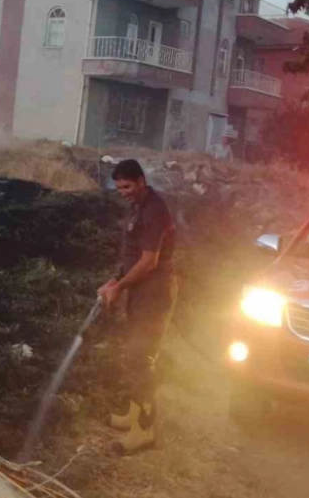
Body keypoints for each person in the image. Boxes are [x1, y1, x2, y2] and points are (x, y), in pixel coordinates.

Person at [96, 159, 178, 455]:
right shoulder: (138, 205)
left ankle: (145, 431)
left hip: (154, 294)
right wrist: (114, 280)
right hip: (139, 291)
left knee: (142, 358)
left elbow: (149, 261)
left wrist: (118, 288)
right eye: (119, 188)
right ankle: (133, 413)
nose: (124, 192)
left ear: (142, 180)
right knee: (135, 354)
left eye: (128, 186)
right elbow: (132, 253)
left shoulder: (155, 209)